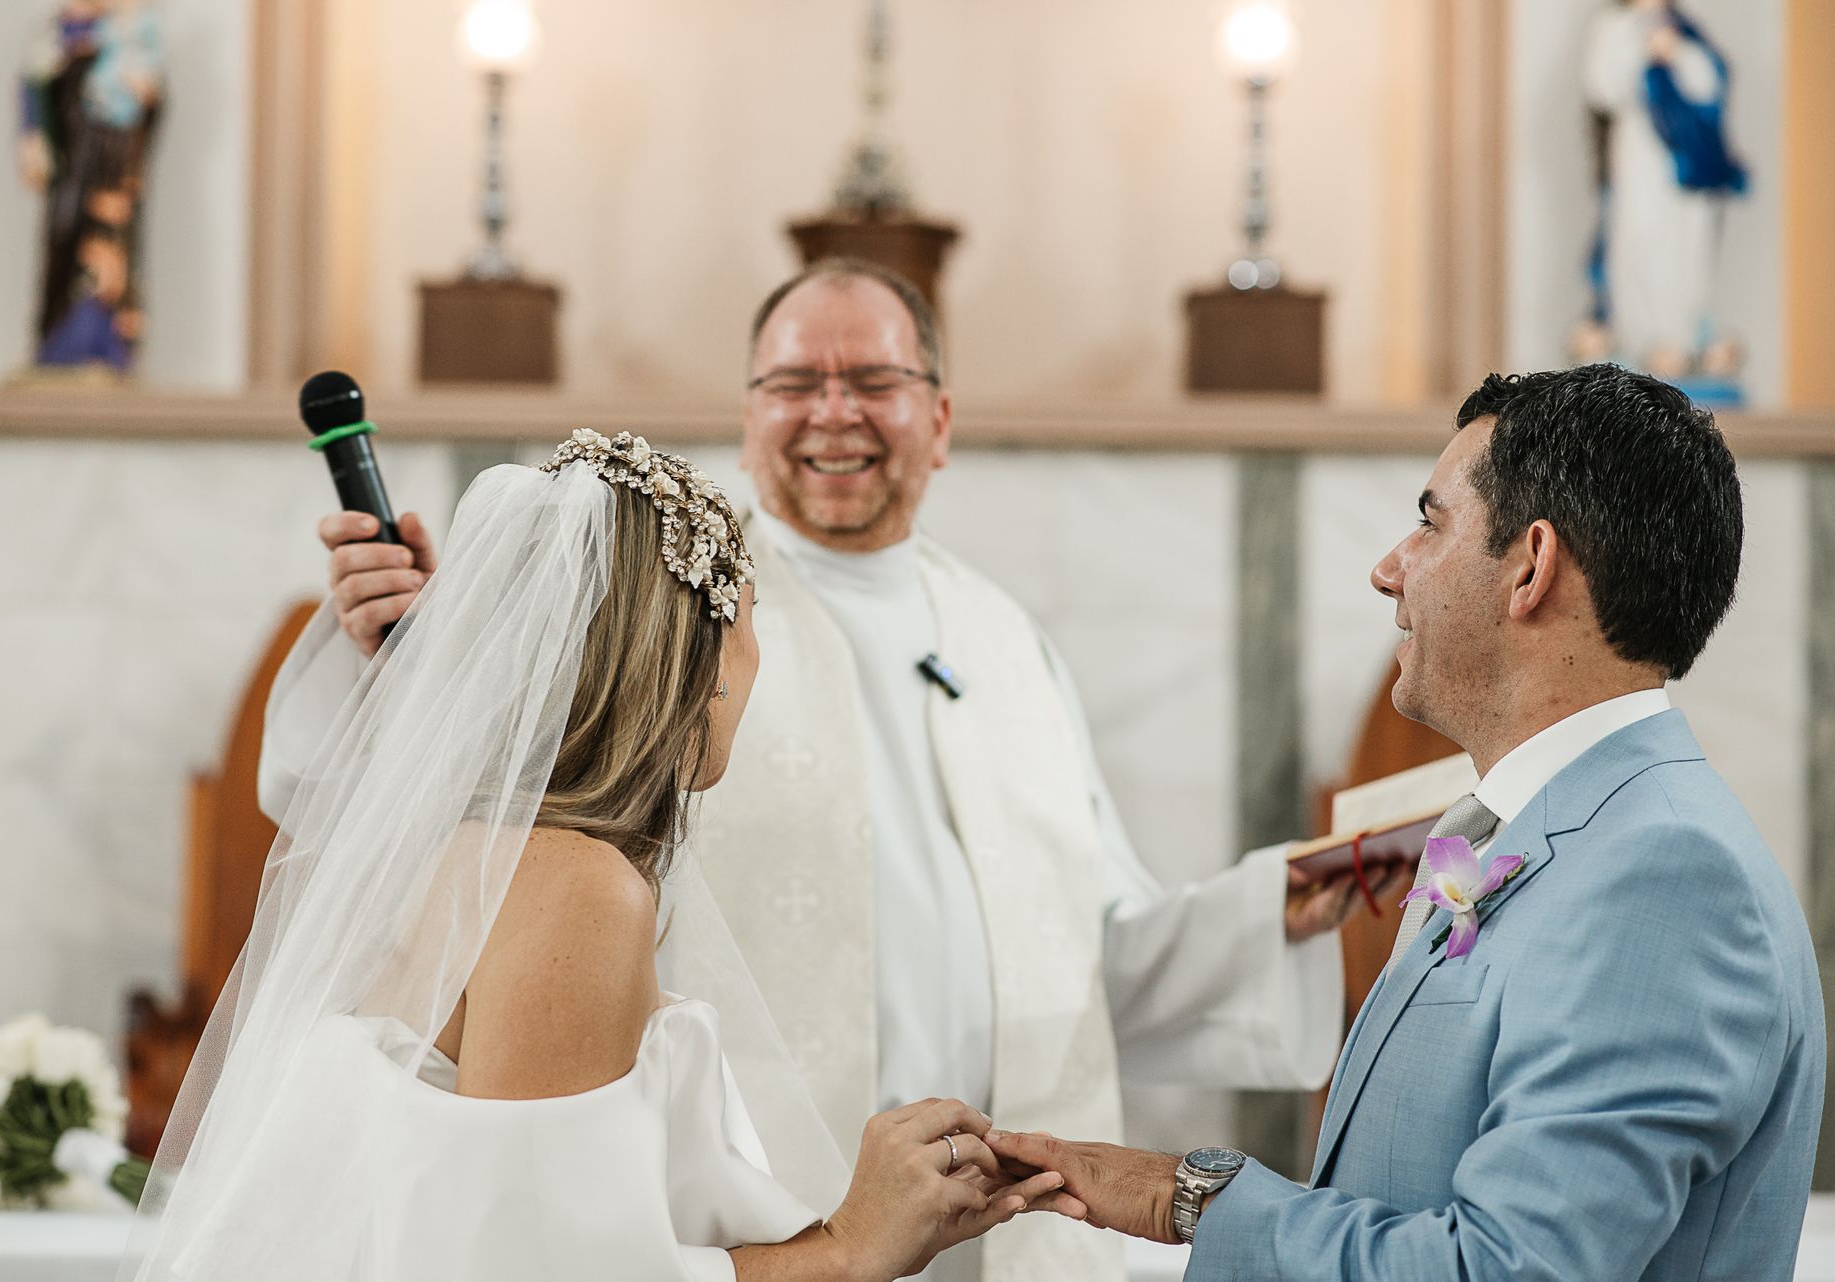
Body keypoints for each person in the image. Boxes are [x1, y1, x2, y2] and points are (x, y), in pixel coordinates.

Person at [259, 260, 1393, 1282]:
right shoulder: (669, 609)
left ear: (939, 419)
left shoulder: (1011, 643)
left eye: (873, 379)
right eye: (797, 382)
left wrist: (1259, 915)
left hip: (1013, 1228)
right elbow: (439, 845)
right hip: (762, 1224)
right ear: (749, 418)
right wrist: (409, 662)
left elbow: (1079, 958)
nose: (834, 411)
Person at [125, 431, 1065, 1281]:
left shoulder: (457, 857)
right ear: (687, 660)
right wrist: (852, 1245)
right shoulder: (575, 886)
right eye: (747, 623)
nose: (755, 666)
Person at [984, 364, 1826, 1281]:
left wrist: (1191, 1194)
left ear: (1531, 567)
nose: (1388, 567)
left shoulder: (1664, 876)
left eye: (1430, 523)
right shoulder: (1535, 828)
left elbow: (1507, 1271)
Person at [1579, 0, 1747, 381]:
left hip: (1684, 172)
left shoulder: (1686, 27)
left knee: (1686, 255)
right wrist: (1643, 51)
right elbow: (1602, 87)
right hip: (1640, 163)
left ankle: (1678, 342)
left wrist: (1677, 53)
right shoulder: (1616, 27)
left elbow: (1710, 82)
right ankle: (1643, 341)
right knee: (1636, 247)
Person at [18, 0, 164, 374]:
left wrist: (143, 95)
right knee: (65, 241)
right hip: (73, 165)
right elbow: (34, 93)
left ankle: (105, 344)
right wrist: (33, 138)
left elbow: (149, 99)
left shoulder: (125, 35)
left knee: (108, 250)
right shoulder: (53, 37)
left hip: (112, 163)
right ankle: (59, 344)